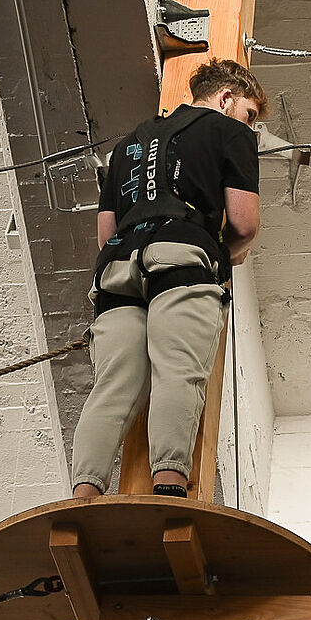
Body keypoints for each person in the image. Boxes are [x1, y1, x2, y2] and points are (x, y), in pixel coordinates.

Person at [69, 58, 266, 499]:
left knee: (111, 389)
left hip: (117, 268)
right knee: (178, 371)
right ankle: (169, 490)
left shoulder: (128, 145)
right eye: (250, 114)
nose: (250, 127)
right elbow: (244, 223)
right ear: (226, 97)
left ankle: (83, 497)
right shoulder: (230, 133)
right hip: (180, 257)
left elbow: (105, 233)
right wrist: (228, 255)